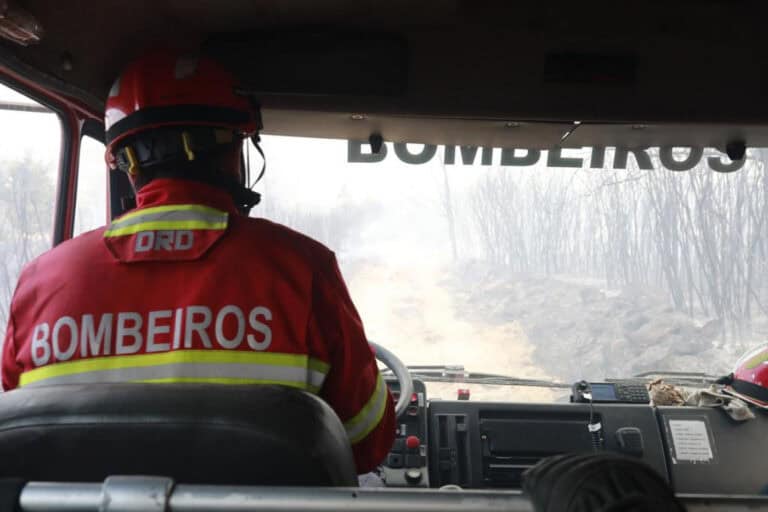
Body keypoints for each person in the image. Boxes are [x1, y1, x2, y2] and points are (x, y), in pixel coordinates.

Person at [0, 50, 395, 474]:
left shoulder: (39, 282)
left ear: (124, 162)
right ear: (233, 153)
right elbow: (366, 442)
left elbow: (16, 435)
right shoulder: (301, 269)